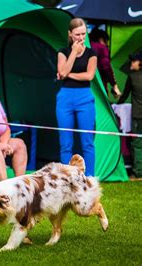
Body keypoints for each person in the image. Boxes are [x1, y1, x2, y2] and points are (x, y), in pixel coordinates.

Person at [56, 18, 97, 176]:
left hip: (85, 97)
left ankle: (90, 179)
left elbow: (89, 76)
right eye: (77, 34)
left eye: (83, 34)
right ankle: (67, 179)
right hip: (65, 98)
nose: (81, 38)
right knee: (65, 143)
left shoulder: (91, 53)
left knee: (87, 142)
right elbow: (63, 72)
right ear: (70, 34)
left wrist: (66, 74)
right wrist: (73, 52)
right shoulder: (63, 52)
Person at [118, 52, 142, 177]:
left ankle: (138, 172)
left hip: (138, 116)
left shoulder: (132, 77)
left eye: (134, 61)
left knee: (137, 143)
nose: (131, 63)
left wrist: (116, 105)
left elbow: (125, 95)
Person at [89, 28, 121, 98]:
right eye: (106, 41)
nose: (106, 44)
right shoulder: (102, 48)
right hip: (99, 85)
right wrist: (114, 85)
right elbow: (106, 67)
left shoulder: (85, 46)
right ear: (101, 39)